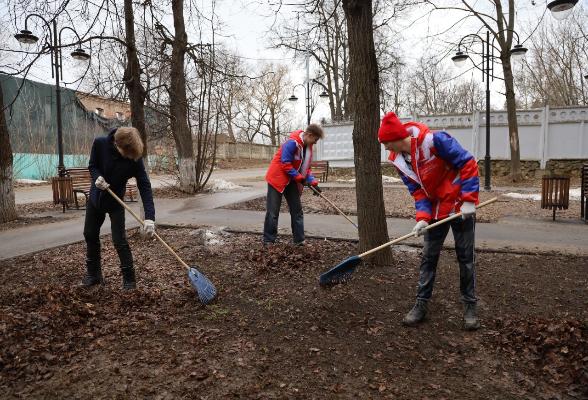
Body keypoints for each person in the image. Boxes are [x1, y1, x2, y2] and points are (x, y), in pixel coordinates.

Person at [378, 112, 480, 330]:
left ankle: (470, 307)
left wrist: (470, 200)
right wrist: (423, 218)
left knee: (466, 257)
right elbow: (417, 190)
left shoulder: (435, 141)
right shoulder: (399, 161)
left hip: (460, 205)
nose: (386, 148)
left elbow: (468, 163)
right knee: (428, 258)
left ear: (396, 137)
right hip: (435, 210)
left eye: (386, 143)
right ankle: (421, 305)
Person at [81, 127, 156, 290]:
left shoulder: (134, 158)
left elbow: (144, 185)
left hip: (116, 203)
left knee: (119, 240)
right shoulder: (100, 144)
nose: (129, 158)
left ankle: (129, 280)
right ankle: (94, 274)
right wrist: (97, 177)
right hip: (96, 199)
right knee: (90, 234)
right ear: (117, 144)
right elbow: (92, 165)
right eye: (127, 154)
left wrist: (149, 217)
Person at [263, 124, 325, 246]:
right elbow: (285, 163)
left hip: (291, 180)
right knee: (273, 212)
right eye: (315, 140)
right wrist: (300, 179)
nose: (316, 143)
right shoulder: (292, 143)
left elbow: (306, 168)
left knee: (297, 210)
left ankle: (299, 240)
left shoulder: (308, 147)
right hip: (277, 180)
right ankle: (268, 241)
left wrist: (313, 183)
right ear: (309, 135)